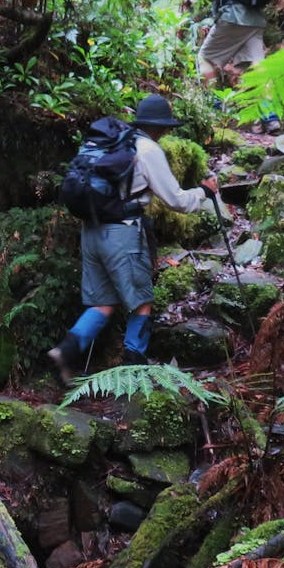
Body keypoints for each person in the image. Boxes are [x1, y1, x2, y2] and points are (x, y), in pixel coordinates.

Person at [47, 94, 217, 384]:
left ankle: (64, 354)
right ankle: (134, 371)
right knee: (141, 302)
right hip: (122, 233)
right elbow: (177, 201)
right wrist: (205, 191)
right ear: (160, 126)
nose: (167, 132)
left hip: (91, 230)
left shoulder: (114, 142)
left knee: (103, 302)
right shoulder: (148, 149)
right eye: (166, 127)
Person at [196, 0, 279, 133]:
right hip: (256, 21)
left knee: (204, 58)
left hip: (233, 17)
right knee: (258, 65)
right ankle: (270, 117)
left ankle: (217, 113)